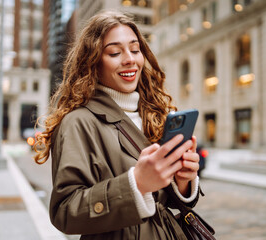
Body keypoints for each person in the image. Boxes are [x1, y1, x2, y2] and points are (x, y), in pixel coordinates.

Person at [34, 10, 200, 239]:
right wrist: (136, 184)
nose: (129, 59)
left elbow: (163, 200)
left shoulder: (155, 113)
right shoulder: (78, 122)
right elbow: (65, 212)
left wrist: (183, 181)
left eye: (135, 49)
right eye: (114, 52)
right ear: (93, 62)